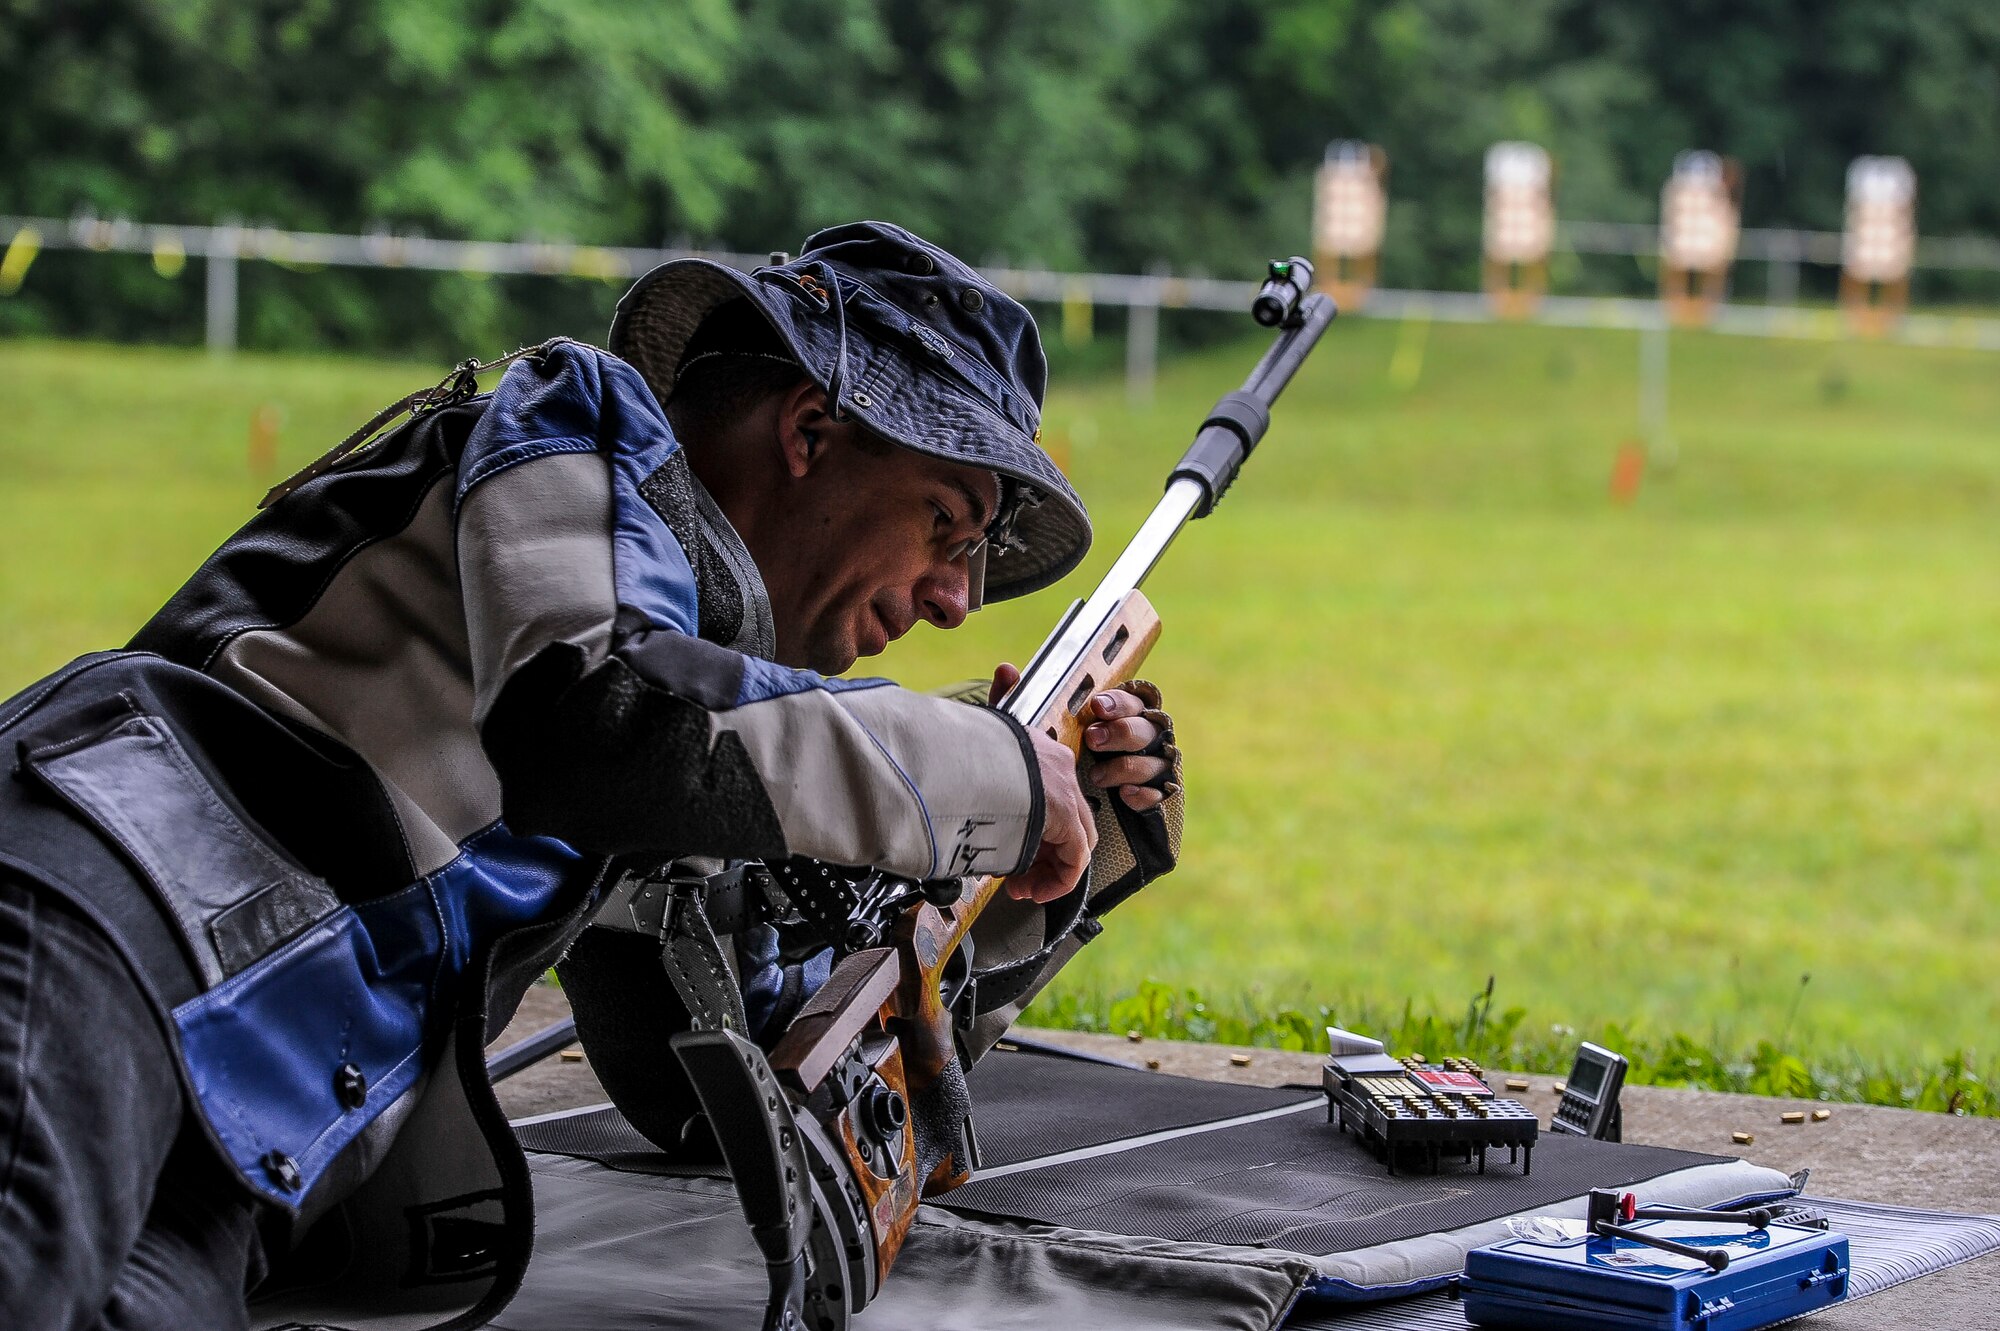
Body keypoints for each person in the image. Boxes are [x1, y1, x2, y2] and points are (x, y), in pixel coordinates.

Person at [0, 220, 1183, 1330]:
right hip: (108, 908)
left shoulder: (699, 720)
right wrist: (985, 772)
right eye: (948, 525)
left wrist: (1064, 864)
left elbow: (725, 1081)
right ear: (811, 430)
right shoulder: (585, 416)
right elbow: (603, 721)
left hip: (263, 1125)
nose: (955, 598)